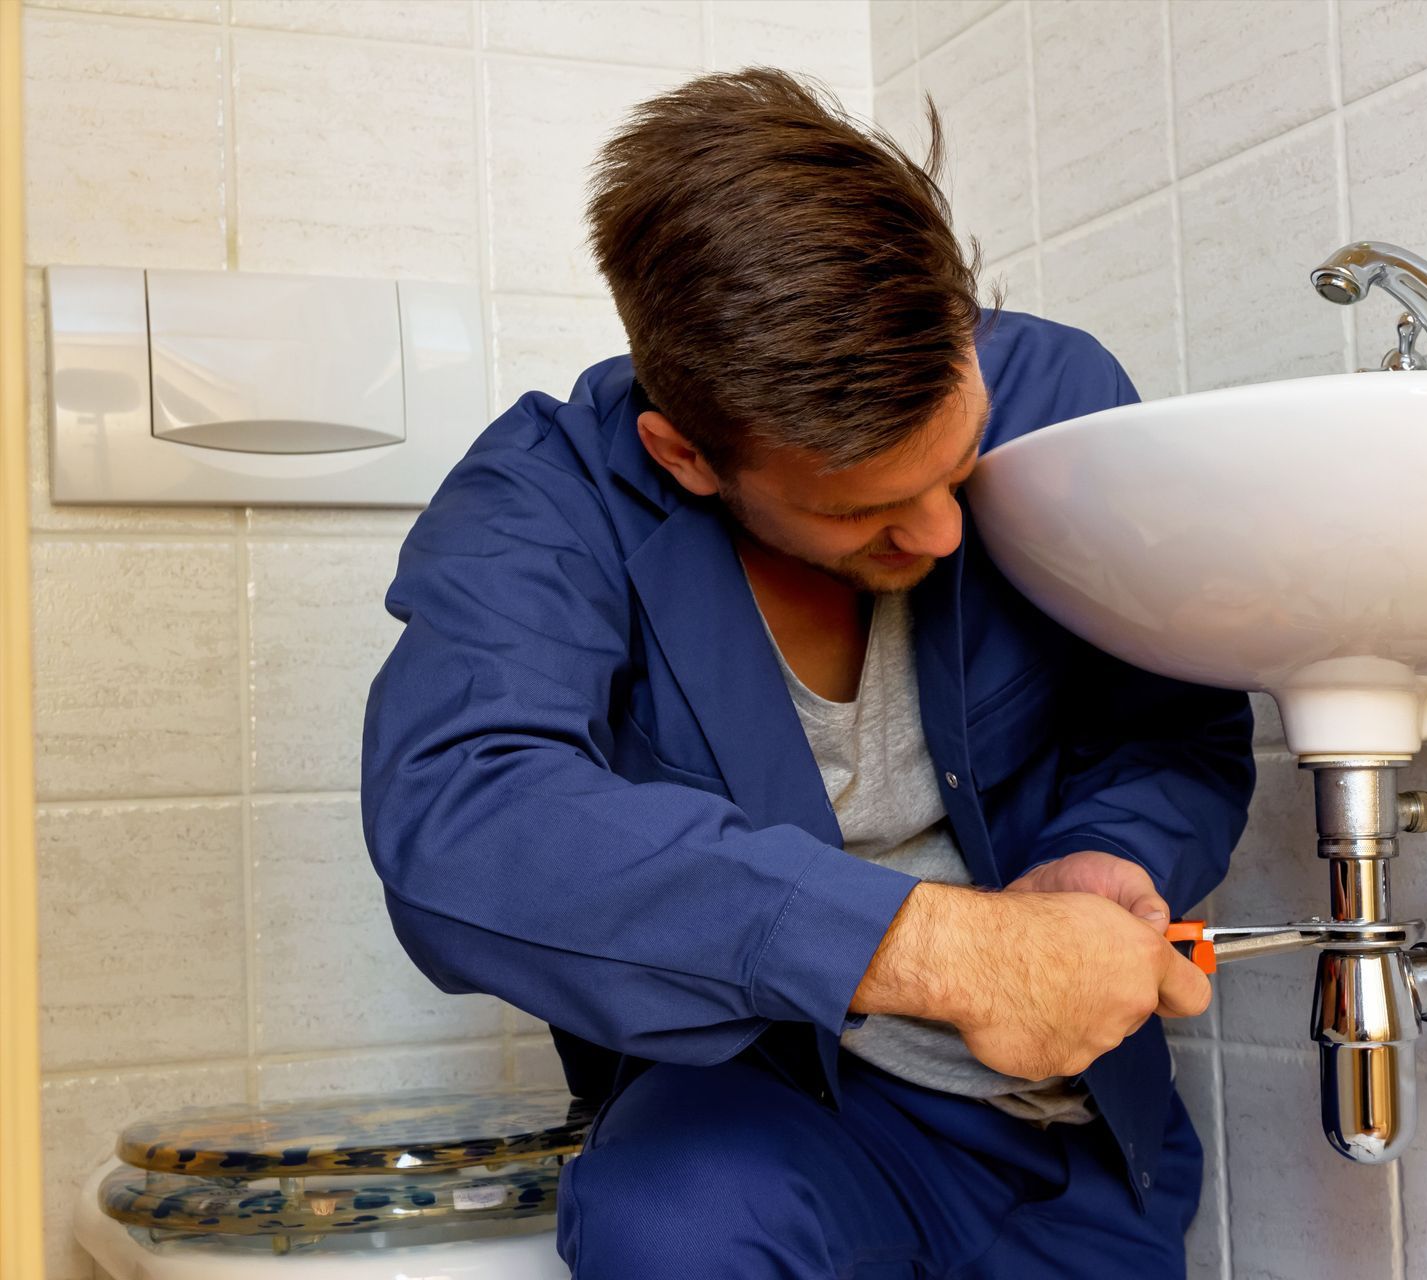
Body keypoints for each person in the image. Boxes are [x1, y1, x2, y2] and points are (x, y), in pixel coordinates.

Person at [360, 68, 1254, 1278]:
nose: (941, 532)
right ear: (685, 455)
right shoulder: (545, 503)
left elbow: (1173, 725)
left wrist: (1115, 850)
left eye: (958, 462)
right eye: (869, 510)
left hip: (1063, 1136)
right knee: (671, 1217)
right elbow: (462, 821)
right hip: (766, 1122)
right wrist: (935, 948)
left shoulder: (1063, 402)